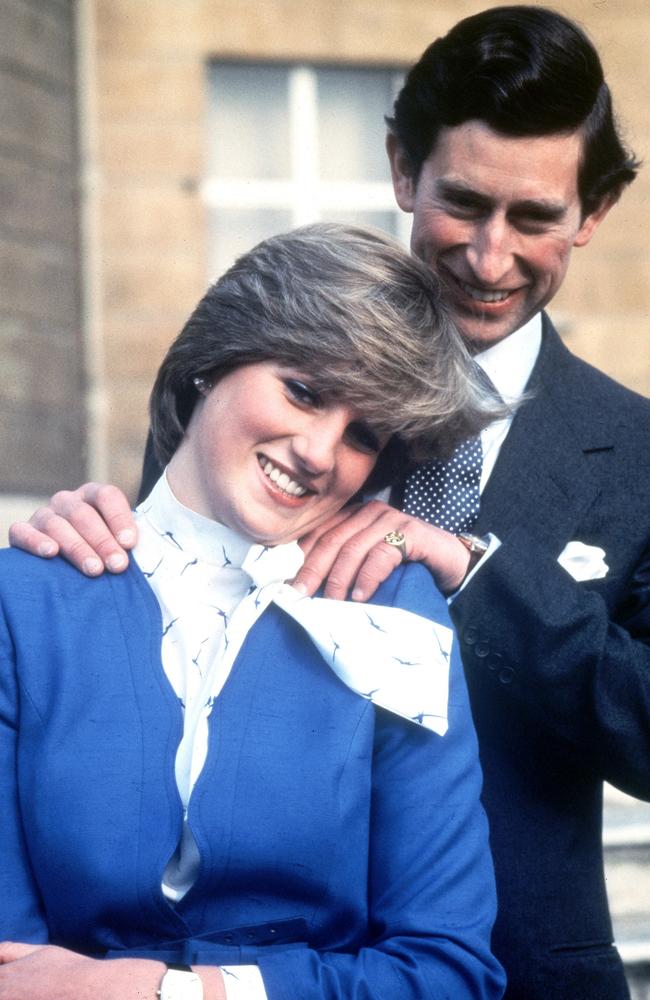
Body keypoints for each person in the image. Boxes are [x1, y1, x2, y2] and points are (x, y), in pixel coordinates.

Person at [10, 6, 650, 998]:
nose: (487, 256)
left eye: (532, 218)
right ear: (403, 171)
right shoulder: (271, 365)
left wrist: (473, 571)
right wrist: (78, 542)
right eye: (462, 203)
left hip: (509, 969)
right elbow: (171, 595)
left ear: (589, 215)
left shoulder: (635, 454)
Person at [0, 224, 506, 1000]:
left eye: (363, 434)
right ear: (213, 362)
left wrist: (172, 994)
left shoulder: (396, 611)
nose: (318, 451)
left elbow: (446, 970)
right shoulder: (26, 599)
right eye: (303, 391)